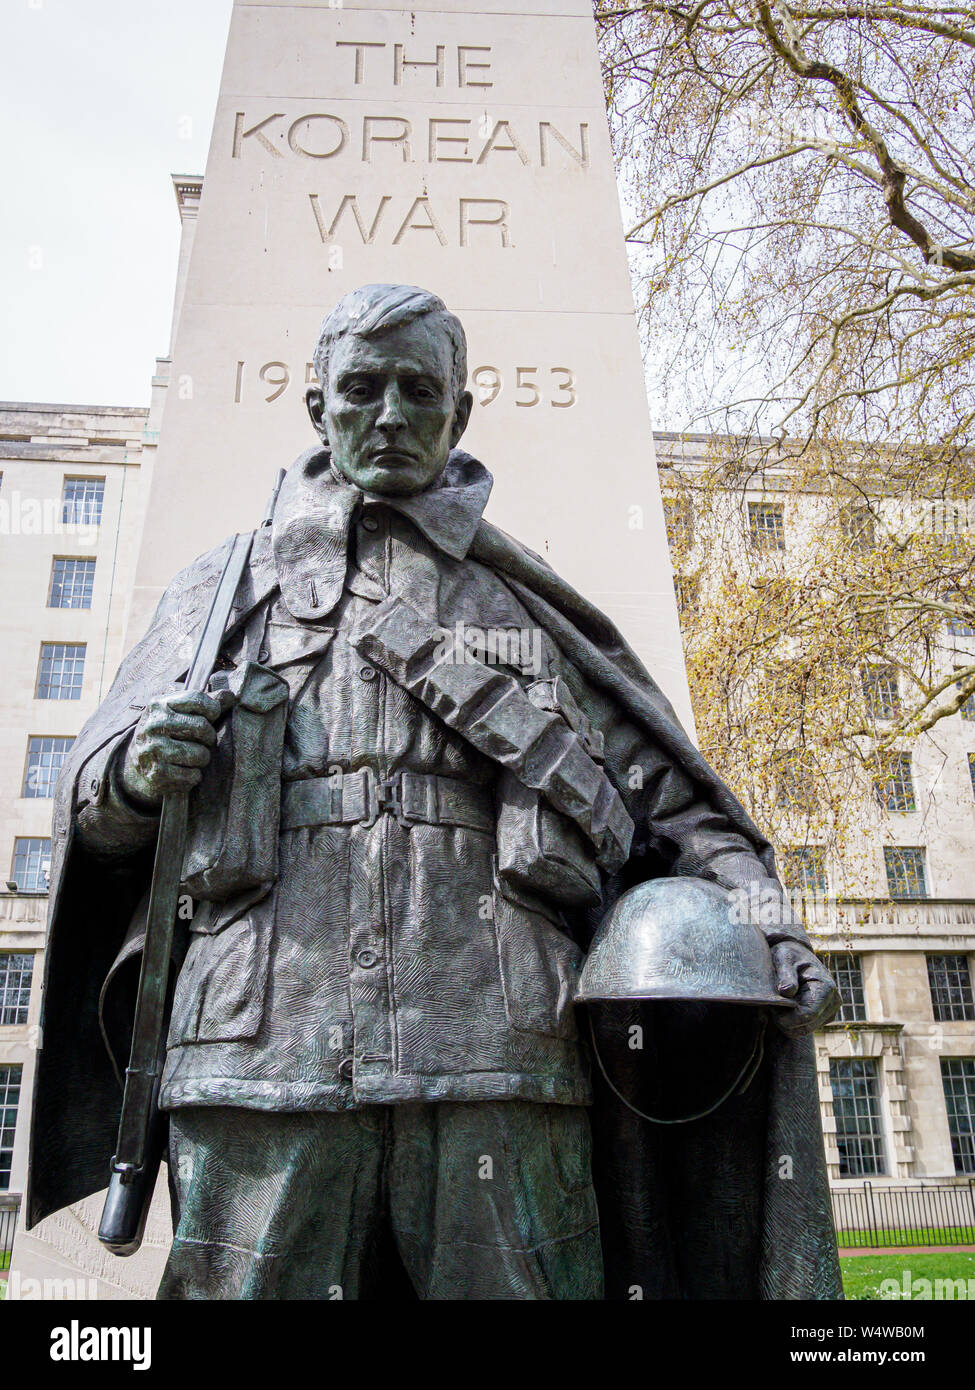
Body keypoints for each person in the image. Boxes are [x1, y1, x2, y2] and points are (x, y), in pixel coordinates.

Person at [27, 284, 841, 1299]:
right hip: (261, 1053)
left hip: (499, 1052)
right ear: (316, 405)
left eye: (420, 390)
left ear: (459, 413)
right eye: (362, 388)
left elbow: (677, 808)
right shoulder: (221, 589)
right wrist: (137, 774)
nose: (391, 413)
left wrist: (770, 926)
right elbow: (92, 803)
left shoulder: (523, 602)